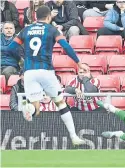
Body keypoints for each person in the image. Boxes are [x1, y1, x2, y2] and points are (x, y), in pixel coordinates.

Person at [1, 6, 86, 145]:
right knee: (60, 103)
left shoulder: (25, 30)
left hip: (29, 72)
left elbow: (10, 48)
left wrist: (20, 59)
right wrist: (78, 62)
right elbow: (66, 46)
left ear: (35, 17)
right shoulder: (51, 29)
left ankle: (28, 108)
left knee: (36, 109)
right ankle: (74, 136)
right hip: (45, 70)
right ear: (48, 17)